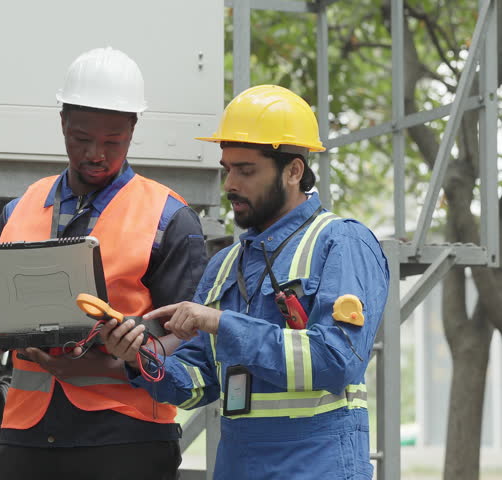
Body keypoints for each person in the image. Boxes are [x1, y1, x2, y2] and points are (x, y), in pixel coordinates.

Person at [102, 84, 388, 480]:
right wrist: (139, 358)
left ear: (294, 171)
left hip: (318, 468)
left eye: (246, 170)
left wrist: (220, 323)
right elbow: (198, 384)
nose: (229, 184)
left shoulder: (341, 242)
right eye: (227, 169)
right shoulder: (224, 265)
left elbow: (337, 362)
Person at [0, 47, 208, 480]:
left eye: (113, 141)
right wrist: (17, 321)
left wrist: (115, 361)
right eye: (81, 139)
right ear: (62, 124)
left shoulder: (169, 218)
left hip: (127, 440)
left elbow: (192, 339)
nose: (96, 153)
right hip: (26, 439)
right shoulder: (19, 210)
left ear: (133, 129)